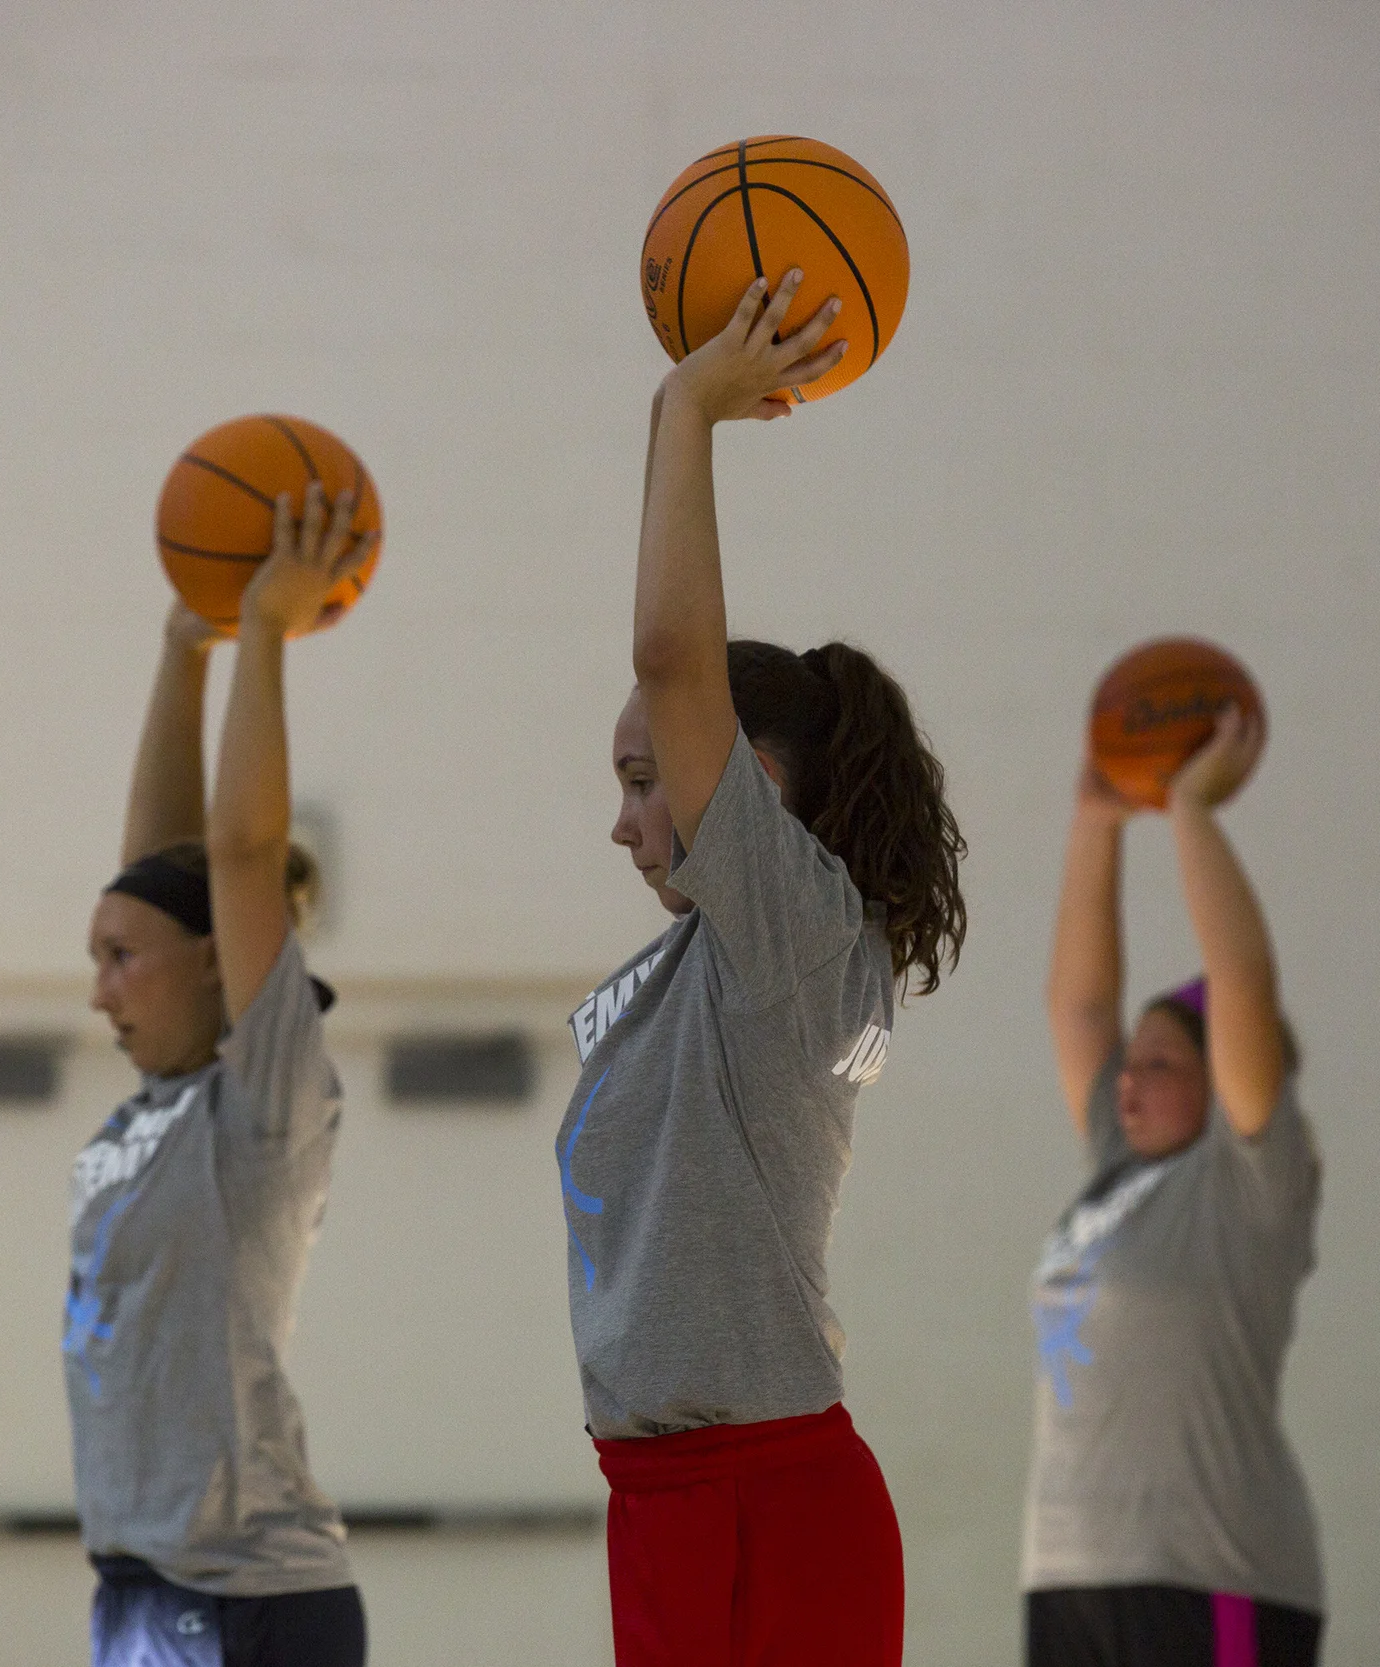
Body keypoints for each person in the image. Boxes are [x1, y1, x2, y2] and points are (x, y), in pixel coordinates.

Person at [556, 271, 967, 1667]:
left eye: (644, 776)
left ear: (759, 781)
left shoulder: (793, 932)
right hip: (661, 1499)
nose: (621, 818)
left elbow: (672, 653)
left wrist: (687, 409)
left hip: (773, 1492)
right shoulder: (676, 980)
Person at [66, 486, 372, 1666]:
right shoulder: (148, 1108)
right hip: (138, 1587)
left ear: (213, 960)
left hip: (247, 1597)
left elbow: (236, 853)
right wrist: (180, 649)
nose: (99, 988)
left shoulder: (259, 1103)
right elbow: (163, 867)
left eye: (119, 958)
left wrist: (264, 631)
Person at [1022, 709, 1326, 1667]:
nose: (1126, 1078)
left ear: (1223, 1076)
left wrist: (1190, 811)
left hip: (1213, 1576)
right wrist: (1095, 822)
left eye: (1156, 1061)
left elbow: (1242, 979)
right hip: (1071, 1573)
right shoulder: (1118, 1171)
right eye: (1131, 1061)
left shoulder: (1247, 1179)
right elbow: (1077, 1005)